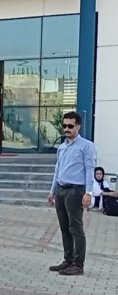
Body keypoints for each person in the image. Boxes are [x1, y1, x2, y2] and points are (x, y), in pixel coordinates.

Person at [47, 111, 97, 276]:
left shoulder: (86, 146)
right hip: (61, 190)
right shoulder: (62, 147)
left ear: (78, 126)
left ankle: (78, 264)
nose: (67, 129)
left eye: (70, 126)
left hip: (76, 191)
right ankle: (68, 260)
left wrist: (88, 192)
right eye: (64, 126)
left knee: (75, 227)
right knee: (64, 227)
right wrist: (52, 191)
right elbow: (57, 169)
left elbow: (90, 170)